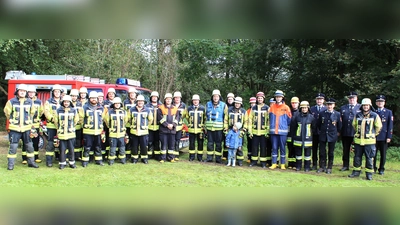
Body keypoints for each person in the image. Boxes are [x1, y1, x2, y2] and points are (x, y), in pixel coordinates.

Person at [4, 84, 39, 170]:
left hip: (27, 128)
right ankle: (11, 165)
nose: (22, 92)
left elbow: (32, 112)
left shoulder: (30, 102)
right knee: (13, 147)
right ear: (17, 91)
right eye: (21, 91)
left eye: (24, 91)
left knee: (29, 146)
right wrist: (13, 120)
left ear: (26, 92)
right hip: (15, 128)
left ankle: (31, 162)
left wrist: (28, 121)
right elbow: (7, 112)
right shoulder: (11, 101)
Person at [348, 98, 382, 180]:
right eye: (364, 105)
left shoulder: (375, 115)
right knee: (357, 157)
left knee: (369, 158)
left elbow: (379, 127)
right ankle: (356, 172)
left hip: (369, 142)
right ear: (362, 106)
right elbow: (354, 125)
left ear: (370, 106)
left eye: (367, 105)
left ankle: (369, 174)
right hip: (358, 141)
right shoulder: (358, 115)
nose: (365, 107)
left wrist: (373, 134)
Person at [79, 91, 107, 167]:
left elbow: (104, 118)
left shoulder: (101, 108)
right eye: (92, 98)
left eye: (95, 98)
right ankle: (85, 161)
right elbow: (81, 119)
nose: (94, 99)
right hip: (88, 131)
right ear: (89, 99)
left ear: (97, 99)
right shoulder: (84, 107)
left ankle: (99, 160)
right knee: (87, 147)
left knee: (98, 146)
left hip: (98, 131)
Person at [54, 95, 79, 169]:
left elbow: (76, 120)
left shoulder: (74, 110)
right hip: (62, 134)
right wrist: (59, 128)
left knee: (71, 149)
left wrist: (71, 127)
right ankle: (62, 163)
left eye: (67, 102)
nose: (66, 103)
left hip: (71, 133)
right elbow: (56, 121)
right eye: (65, 102)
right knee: (62, 149)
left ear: (70, 102)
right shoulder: (58, 110)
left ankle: (72, 163)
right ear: (62, 102)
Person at [317, 98, 342, 174]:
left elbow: (339, 126)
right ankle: (322, 166)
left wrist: (337, 133)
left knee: (331, 152)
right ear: (326, 105)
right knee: (322, 152)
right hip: (323, 134)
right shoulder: (322, 113)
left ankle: (329, 167)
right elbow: (319, 124)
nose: (329, 106)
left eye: (331, 105)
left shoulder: (337, 114)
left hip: (332, 135)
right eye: (328, 104)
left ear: (334, 105)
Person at [269, 90, 292, 170]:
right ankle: (274, 163)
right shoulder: (272, 107)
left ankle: (282, 164)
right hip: (273, 131)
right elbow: (269, 119)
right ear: (275, 98)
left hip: (283, 132)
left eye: (279, 97)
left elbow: (289, 120)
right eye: (277, 97)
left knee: (282, 148)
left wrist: (283, 126)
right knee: (274, 148)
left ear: (282, 97)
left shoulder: (286, 108)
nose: (278, 98)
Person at [204, 90, 228, 163]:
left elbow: (226, 117)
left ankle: (218, 159)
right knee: (210, 143)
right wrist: (204, 126)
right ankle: (209, 158)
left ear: (219, 97)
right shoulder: (207, 104)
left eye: (217, 96)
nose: (215, 98)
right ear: (212, 97)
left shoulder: (224, 105)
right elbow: (204, 116)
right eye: (214, 96)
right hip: (209, 128)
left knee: (218, 144)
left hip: (219, 128)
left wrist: (225, 127)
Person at [290, 101, 315, 172]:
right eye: (303, 108)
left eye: (305, 108)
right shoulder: (296, 117)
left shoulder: (311, 117)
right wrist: (294, 137)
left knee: (307, 155)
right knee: (298, 154)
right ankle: (298, 166)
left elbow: (314, 128)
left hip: (308, 139)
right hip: (298, 139)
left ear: (308, 108)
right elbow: (293, 128)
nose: (304, 109)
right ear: (300, 108)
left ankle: (307, 167)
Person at [21, 85, 43, 164]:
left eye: (32, 92)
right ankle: (24, 158)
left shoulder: (39, 102)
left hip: (35, 125)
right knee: (26, 141)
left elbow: (41, 112)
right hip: (26, 125)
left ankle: (36, 157)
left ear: (35, 93)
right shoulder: (24, 101)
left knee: (35, 141)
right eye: (29, 92)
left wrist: (38, 118)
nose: (31, 94)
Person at [128, 95, 153, 164]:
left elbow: (150, 120)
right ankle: (134, 158)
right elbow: (129, 119)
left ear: (144, 102)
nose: (140, 102)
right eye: (139, 101)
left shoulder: (147, 110)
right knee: (134, 145)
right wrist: (133, 125)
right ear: (137, 102)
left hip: (144, 131)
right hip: (134, 131)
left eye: (141, 101)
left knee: (144, 145)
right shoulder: (131, 110)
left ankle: (144, 158)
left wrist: (146, 126)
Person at [340, 91, 361, 171]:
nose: (351, 99)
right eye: (350, 98)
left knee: (357, 150)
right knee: (345, 150)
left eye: (353, 98)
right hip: (345, 132)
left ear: (356, 98)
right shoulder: (343, 108)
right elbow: (340, 120)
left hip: (356, 133)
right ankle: (345, 165)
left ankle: (356, 166)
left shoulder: (360, 107)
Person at [248, 92, 269, 168]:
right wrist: (250, 131)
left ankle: (263, 162)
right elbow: (250, 120)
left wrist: (268, 131)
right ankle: (254, 161)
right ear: (257, 99)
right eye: (258, 98)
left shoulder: (267, 108)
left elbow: (268, 120)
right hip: (254, 131)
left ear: (263, 99)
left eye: (261, 98)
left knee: (263, 147)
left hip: (264, 132)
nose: (260, 99)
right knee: (254, 147)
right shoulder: (253, 108)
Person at [157, 93, 180, 163]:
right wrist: (167, 125)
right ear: (165, 100)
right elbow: (160, 118)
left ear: (171, 100)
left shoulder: (175, 108)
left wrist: (173, 125)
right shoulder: (160, 108)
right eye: (167, 99)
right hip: (163, 130)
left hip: (172, 130)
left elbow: (177, 118)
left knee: (171, 144)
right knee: (163, 144)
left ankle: (170, 157)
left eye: (170, 99)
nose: (168, 100)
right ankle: (163, 158)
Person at [105, 97, 129, 165]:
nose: (117, 105)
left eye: (119, 103)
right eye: (116, 103)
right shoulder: (109, 112)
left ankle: (122, 160)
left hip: (121, 133)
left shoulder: (124, 112)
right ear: (113, 104)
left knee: (122, 147)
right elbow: (106, 121)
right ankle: (111, 160)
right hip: (113, 133)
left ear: (121, 104)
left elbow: (125, 120)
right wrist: (110, 127)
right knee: (112, 147)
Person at [373, 95, 393, 175]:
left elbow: (390, 125)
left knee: (383, 154)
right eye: (378, 101)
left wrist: (389, 136)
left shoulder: (388, 112)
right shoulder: (374, 112)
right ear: (376, 103)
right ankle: (373, 168)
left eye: (381, 101)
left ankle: (381, 169)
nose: (380, 103)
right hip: (374, 136)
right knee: (373, 154)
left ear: (384, 103)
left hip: (384, 137)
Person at [43, 84, 63, 167]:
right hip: (51, 126)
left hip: (61, 126)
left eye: (58, 91)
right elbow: (46, 112)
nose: (57, 93)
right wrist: (52, 119)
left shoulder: (64, 101)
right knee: (50, 143)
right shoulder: (48, 102)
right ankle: (49, 161)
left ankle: (60, 159)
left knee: (62, 143)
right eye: (55, 91)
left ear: (61, 93)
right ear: (53, 92)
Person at [224, 97, 247, 166]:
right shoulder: (229, 110)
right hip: (231, 130)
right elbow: (226, 120)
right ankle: (229, 160)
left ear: (241, 104)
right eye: (236, 103)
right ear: (234, 103)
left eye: (239, 103)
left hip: (239, 131)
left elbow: (246, 121)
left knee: (239, 147)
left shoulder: (243, 111)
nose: (237, 105)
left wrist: (243, 130)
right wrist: (225, 129)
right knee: (230, 146)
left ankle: (239, 161)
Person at [310, 93, 326, 171]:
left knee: (322, 150)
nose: (319, 100)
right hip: (314, 132)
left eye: (321, 99)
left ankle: (322, 164)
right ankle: (314, 164)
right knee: (314, 149)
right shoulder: (312, 109)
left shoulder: (326, 109)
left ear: (323, 100)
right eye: (318, 99)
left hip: (323, 133)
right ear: (316, 100)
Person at [187, 94, 206, 161]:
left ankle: (199, 157)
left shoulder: (203, 108)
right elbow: (187, 117)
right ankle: (191, 157)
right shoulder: (189, 108)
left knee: (200, 143)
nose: (195, 101)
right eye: (194, 100)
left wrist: (203, 126)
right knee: (191, 143)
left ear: (199, 101)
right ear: (192, 101)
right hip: (191, 129)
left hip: (200, 130)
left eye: (197, 100)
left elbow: (205, 118)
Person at [123, 87, 138, 160]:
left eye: (133, 93)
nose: (132, 95)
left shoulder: (138, 102)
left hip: (136, 125)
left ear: (136, 94)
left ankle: (134, 153)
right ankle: (127, 154)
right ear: (129, 94)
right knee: (127, 140)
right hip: (128, 125)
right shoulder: (125, 102)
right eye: (131, 93)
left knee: (135, 140)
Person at [146, 91, 161, 160]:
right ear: (151, 98)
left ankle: (157, 155)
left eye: (156, 97)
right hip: (149, 127)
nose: (154, 98)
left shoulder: (161, 106)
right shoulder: (146, 106)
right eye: (153, 97)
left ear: (158, 98)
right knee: (149, 141)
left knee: (157, 141)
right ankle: (149, 154)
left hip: (158, 127)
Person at [173, 91, 187, 161]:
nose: (177, 99)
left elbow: (184, 115)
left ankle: (176, 154)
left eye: (178, 98)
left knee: (177, 141)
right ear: (174, 98)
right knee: (172, 140)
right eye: (176, 98)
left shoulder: (183, 106)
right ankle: (171, 154)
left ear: (180, 98)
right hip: (172, 126)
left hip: (179, 126)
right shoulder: (171, 104)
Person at [70, 89, 83, 160]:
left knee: (78, 141)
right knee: (70, 142)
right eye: (72, 96)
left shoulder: (79, 104)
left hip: (78, 126)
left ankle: (77, 156)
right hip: (70, 126)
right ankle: (70, 156)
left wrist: (81, 123)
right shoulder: (68, 103)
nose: (74, 97)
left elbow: (81, 115)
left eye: (75, 96)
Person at [287, 96, 300, 169]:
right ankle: (290, 163)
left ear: (298, 104)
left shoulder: (300, 112)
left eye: (295, 103)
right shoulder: (288, 111)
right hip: (289, 133)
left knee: (296, 149)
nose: (294, 104)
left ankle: (295, 164)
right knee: (290, 148)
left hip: (297, 134)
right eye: (293, 103)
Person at [223, 93, 235, 160]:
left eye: (231, 99)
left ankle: (233, 156)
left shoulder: (236, 106)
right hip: (227, 127)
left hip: (234, 128)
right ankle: (225, 155)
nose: (230, 100)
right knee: (226, 141)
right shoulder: (225, 106)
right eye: (229, 99)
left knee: (233, 141)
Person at [244, 97, 256, 163]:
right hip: (249, 130)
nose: (253, 104)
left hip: (256, 130)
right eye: (251, 103)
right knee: (249, 144)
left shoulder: (257, 110)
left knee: (255, 145)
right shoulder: (248, 111)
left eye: (254, 103)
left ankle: (254, 157)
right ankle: (249, 157)